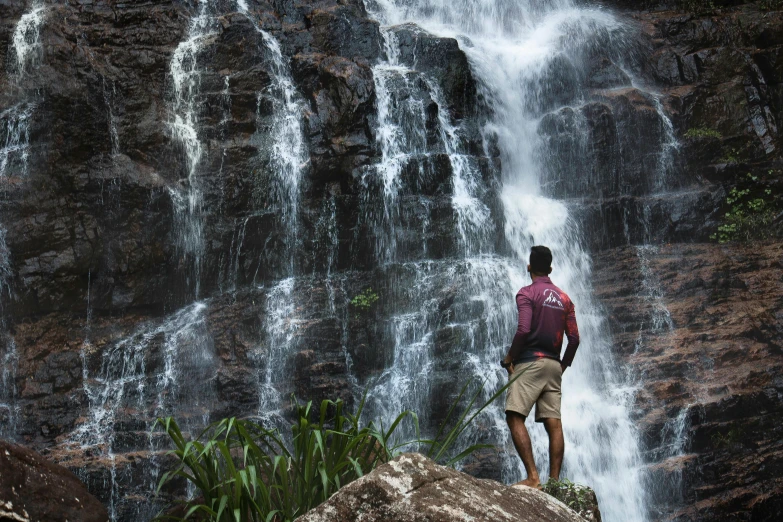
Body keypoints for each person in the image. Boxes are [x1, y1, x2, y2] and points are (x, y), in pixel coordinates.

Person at [500, 245, 580, 489]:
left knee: (514, 416)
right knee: (553, 423)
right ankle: (554, 484)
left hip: (530, 362)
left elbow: (523, 329)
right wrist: (563, 366)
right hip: (554, 365)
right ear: (551, 269)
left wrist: (509, 358)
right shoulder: (565, 299)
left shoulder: (526, 293)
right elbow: (574, 339)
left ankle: (533, 478)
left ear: (529, 267)